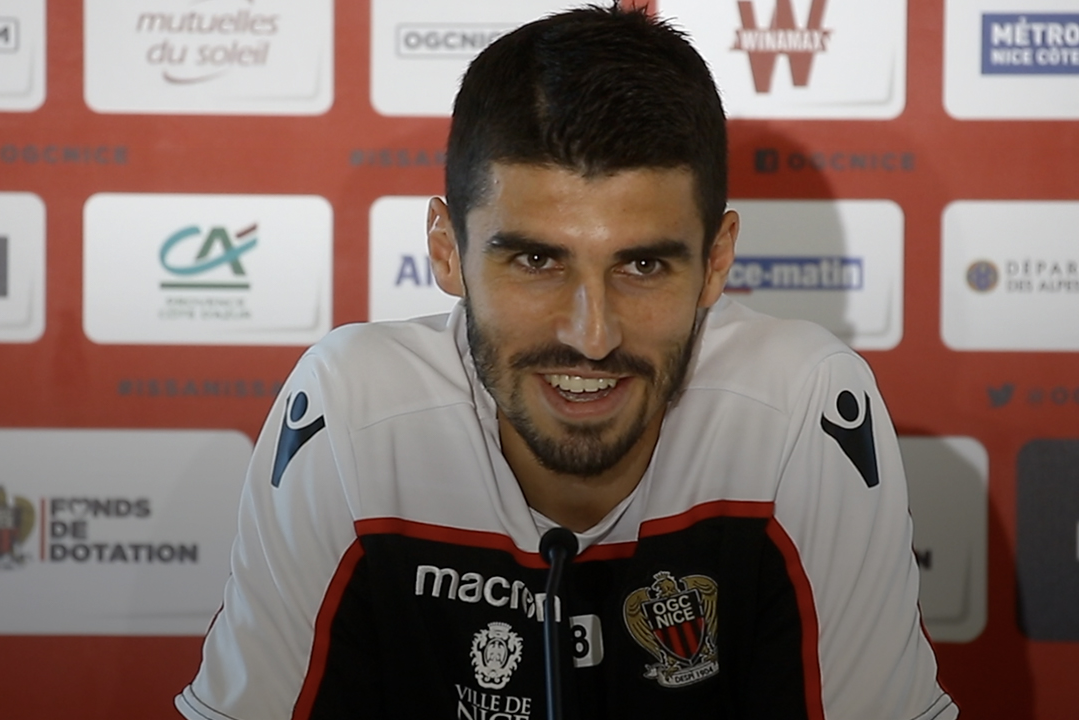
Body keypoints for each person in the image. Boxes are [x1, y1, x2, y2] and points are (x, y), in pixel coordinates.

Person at [176, 5, 956, 719]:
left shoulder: (799, 407)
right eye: (537, 261)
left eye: (642, 266)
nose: (592, 336)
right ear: (446, 251)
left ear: (717, 262)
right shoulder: (353, 411)